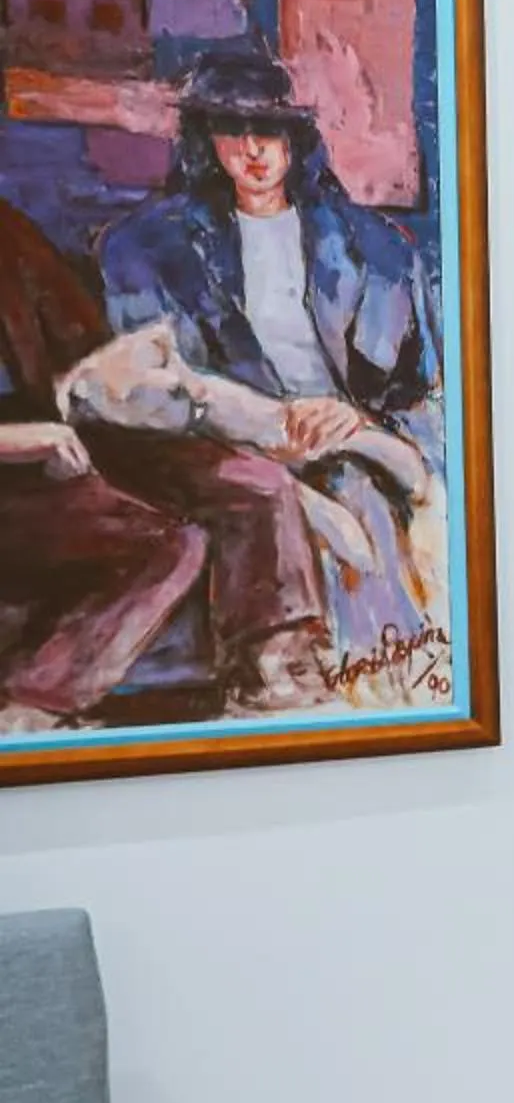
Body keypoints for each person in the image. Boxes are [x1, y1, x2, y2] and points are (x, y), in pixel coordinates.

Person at [99, 51, 447, 672]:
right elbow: (158, 386)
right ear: (207, 139)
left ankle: (394, 680)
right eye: (231, 128)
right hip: (240, 441)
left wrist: (356, 421)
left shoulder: (375, 247)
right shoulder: (147, 247)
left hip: (349, 434)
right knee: (337, 515)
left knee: (371, 498)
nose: (252, 149)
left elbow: (416, 383)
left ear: (295, 138)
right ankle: (369, 682)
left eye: (268, 128)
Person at [0, 197, 207, 734]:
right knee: (164, 545)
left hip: (32, 476)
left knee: (186, 526)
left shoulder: (9, 231)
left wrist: (107, 372)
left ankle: (279, 672)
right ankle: (29, 708)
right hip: (16, 470)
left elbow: (78, 344)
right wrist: (22, 439)